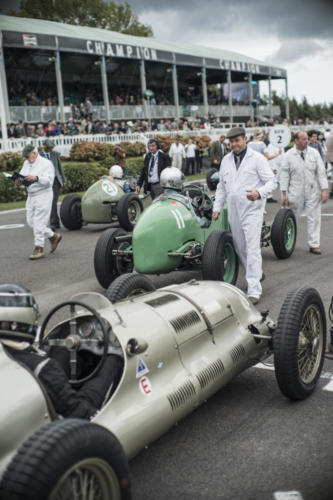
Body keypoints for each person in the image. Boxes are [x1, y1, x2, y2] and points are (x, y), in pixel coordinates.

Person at [0, 283, 123, 420]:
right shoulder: (43, 368)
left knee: (64, 350)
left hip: (18, 407)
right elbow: (79, 413)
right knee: (113, 359)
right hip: (62, 422)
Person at [212, 127, 275, 304]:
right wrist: (217, 207)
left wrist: (259, 193)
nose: (234, 144)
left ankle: (254, 289)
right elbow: (221, 187)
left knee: (252, 247)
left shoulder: (257, 159)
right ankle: (258, 274)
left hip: (252, 209)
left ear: (245, 140)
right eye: (231, 142)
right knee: (240, 247)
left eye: (237, 141)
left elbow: (272, 181)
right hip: (234, 211)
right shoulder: (226, 160)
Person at [280, 130, 328, 255]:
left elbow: (321, 172)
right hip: (295, 191)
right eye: (303, 139)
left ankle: (314, 245)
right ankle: (288, 242)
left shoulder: (314, 153)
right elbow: (284, 175)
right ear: (296, 140)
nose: (306, 141)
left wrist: (324, 190)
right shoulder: (288, 155)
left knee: (314, 218)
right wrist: (284, 194)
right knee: (290, 219)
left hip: (312, 190)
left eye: (307, 139)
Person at [15, 144, 62, 260]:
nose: (26, 159)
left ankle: (39, 248)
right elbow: (22, 176)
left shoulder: (46, 164)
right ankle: (53, 236)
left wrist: (36, 178)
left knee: (38, 222)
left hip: (43, 195)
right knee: (31, 222)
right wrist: (18, 182)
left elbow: (49, 181)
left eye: (27, 157)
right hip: (31, 196)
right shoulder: (27, 164)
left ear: (34, 154)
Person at [40, 139, 66, 231]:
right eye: (50, 147)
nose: (51, 148)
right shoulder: (39, 155)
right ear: (45, 147)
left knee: (53, 202)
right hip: (45, 182)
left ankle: (54, 223)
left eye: (52, 147)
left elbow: (60, 168)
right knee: (49, 203)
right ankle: (55, 222)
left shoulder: (55, 154)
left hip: (55, 181)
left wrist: (63, 180)